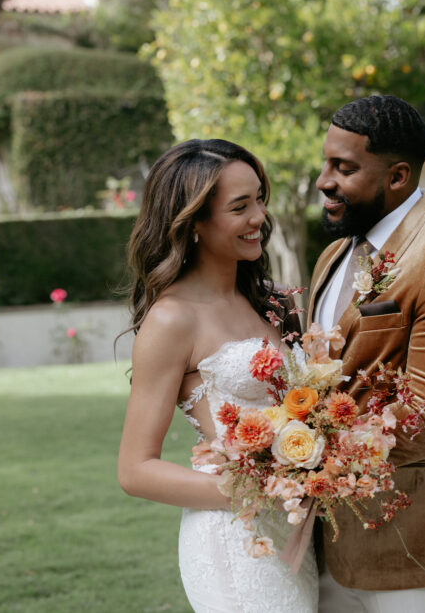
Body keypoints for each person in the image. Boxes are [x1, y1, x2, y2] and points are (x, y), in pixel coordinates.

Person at [308, 95, 425, 612]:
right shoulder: (333, 255)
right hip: (329, 545)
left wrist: (298, 447)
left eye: (343, 168)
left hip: (419, 550)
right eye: (325, 162)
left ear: (397, 176)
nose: (324, 181)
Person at [116, 139, 317, 612]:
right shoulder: (172, 320)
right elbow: (134, 470)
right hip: (234, 542)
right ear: (195, 223)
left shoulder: (271, 303)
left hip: (296, 535)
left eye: (260, 199)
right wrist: (258, 488)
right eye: (240, 206)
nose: (259, 218)